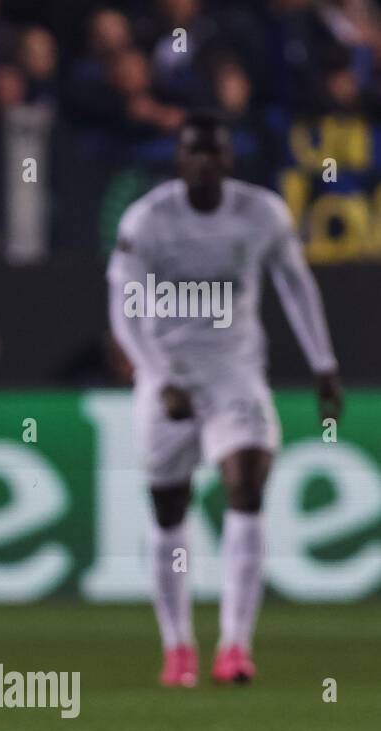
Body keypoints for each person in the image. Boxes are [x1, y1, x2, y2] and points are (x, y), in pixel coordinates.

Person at [107, 111, 341, 688]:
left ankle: (235, 645)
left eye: (215, 153)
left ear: (229, 160)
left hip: (235, 373)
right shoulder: (150, 219)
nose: (205, 163)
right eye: (194, 152)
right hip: (169, 374)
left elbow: (296, 285)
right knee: (169, 509)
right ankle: (178, 647)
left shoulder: (261, 213)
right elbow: (123, 307)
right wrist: (160, 377)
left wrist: (324, 365)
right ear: (180, 159)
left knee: (248, 482)